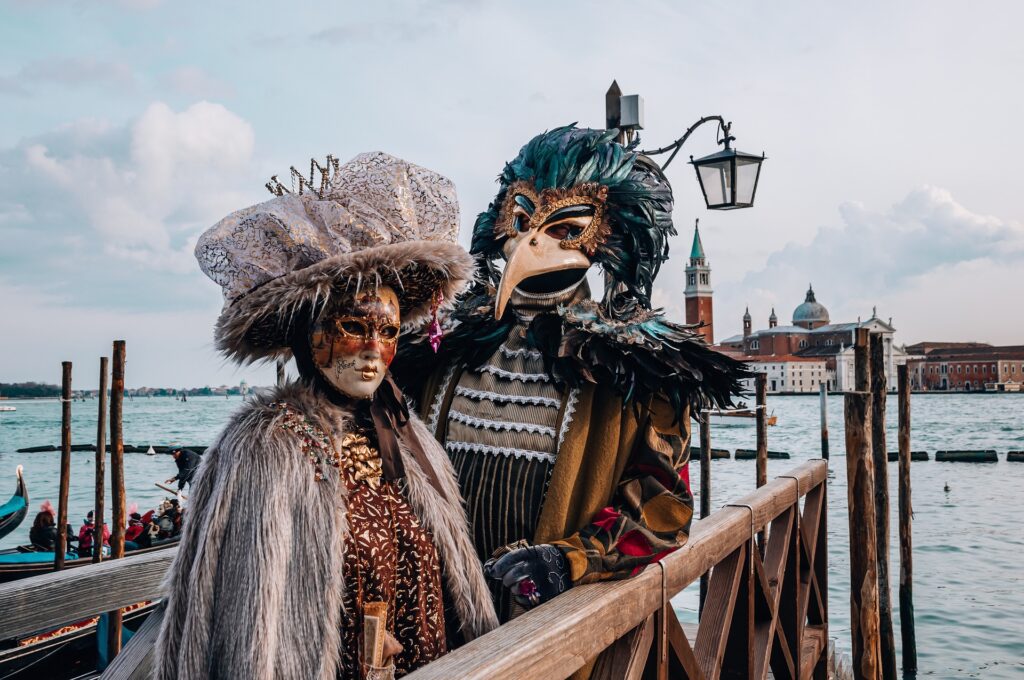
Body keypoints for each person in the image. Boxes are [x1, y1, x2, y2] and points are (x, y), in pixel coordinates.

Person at [154, 152, 497, 680]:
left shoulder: (409, 435)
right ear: (306, 335)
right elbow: (251, 617)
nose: (372, 350)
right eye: (353, 326)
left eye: (387, 332)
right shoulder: (267, 447)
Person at [392, 126, 748, 627]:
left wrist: (570, 561)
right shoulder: (440, 346)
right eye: (521, 218)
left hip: (543, 626)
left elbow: (663, 507)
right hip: (432, 608)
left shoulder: (639, 369)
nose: (530, 241)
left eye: (565, 227)